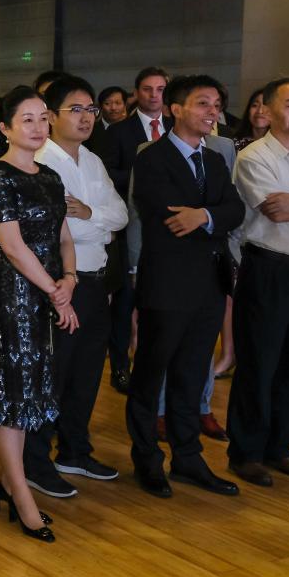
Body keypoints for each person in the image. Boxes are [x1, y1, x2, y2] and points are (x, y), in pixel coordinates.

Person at [126, 74, 244, 499]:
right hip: (167, 285)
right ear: (176, 109)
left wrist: (205, 217)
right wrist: (205, 217)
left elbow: (235, 208)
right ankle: (147, 460)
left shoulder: (213, 159)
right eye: (203, 104)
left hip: (209, 285)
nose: (214, 112)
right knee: (151, 374)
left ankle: (189, 458)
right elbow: (165, 215)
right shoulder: (151, 158)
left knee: (192, 377)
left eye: (217, 104)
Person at [24, 76, 128, 498]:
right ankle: (34, 461)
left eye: (91, 110)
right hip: (58, 283)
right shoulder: (39, 161)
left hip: (96, 280)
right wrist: (93, 221)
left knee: (86, 373)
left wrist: (89, 215)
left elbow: (120, 215)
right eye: (76, 110)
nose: (86, 118)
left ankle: (74, 450)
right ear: (50, 116)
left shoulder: (93, 160)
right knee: (52, 375)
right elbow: (54, 229)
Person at [0, 85, 77, 544]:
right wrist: (55, 292)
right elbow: (14, 248)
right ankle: (22, 497)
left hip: (51, 289)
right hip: (17, 295)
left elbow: (63, 237)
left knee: (36, 386)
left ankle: (10, 482)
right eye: (27, 119)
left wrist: (71, 280)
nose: (38, 127)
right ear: (5, 127)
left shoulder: (51, 176)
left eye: (43, 118)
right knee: (13, 390)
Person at [226, 76, 289, 487]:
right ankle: (245, 452)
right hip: (268, 269)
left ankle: (279, 447)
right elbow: (276, 211)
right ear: (267, 107)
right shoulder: (253, 157)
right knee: (259, 365)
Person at [96, 67, 173, 397]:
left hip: (171, 228)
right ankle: (120, 366)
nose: (154, 95)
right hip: (130, 224)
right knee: (125, 303)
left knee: (162, 301)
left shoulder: (175, 127)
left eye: (160, 89)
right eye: (147, 89)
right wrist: (145, 175)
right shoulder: (118, 132)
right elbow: (107, 173)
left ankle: (155, 364)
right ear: (136, 93)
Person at [232, 87, 269, 152]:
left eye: (266, 106)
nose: (260, 111)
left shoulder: (279, 144)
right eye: (255, 105)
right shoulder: (233, 143)